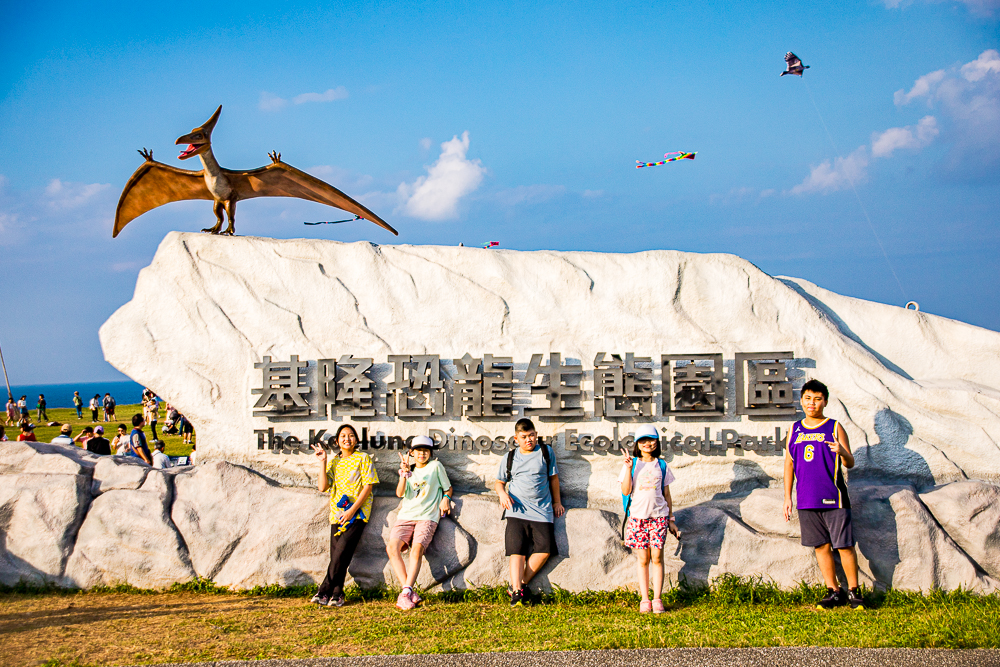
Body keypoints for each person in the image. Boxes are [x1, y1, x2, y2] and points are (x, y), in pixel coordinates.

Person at [783, 379, 864, 610]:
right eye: (808, 398)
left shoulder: (834, 426)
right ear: (801, 400)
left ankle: (854, 592)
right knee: (821, 546)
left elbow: (850, 462)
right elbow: (789, 463)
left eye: (817, 399)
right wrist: (788, 497)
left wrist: (842, 451)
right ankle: (833, 590)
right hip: (806, 498)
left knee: (844, 546)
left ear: (825, 402)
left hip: (834, 497)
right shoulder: (794, 429)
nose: (812, 403)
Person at [495, 418, 565, 606]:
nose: (529, 440)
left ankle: (518, 584)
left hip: (542, 511)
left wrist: (557, 502)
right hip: (516, 510)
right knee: (516, 551)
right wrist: (502, 494)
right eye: (524, 437)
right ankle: (518, 592)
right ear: (516, 438)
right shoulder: (510, 457)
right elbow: (499, 482)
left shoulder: (545, 452)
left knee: (545, 549)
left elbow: (554, 479)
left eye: (532, 435)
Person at [309, 424, 379, 607]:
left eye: (350, 435)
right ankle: (337, 593)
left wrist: (352, 510)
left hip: (357, 514)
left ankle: (324, 590)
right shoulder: (334, 461)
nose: (347, 439)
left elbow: (368, 486)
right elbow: (323, 487)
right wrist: (322, 462)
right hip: (337, 515)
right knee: (339, 556)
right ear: (337, 441)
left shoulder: (363, 458)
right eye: (342, 436)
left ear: (356, 439)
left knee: (340, 552)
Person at [620, 424, 681, 613]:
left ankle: (657, 599)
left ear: (657, 442)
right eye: (643, 440)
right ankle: (644, 599)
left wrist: (671, 519)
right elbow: (625, 491)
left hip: (659, 517)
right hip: (638, 517)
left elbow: (667, 494)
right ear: (637, 443)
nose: (648, 443)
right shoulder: (632, 463)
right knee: (643, 558)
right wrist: (629, 468)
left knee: (657, 557)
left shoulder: (661, 465)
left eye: (651, 440)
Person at [387, 435, 453, 610]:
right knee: (392, 548)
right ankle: (407, 591)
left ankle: (406, 593)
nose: (422, 454)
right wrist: (403, 473)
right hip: (406, 515)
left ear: (430, 453)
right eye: (418, 451)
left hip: (427, 517)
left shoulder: (436, 467)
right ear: (411, 453)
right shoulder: (409, 471)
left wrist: (446, 498)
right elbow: (400, 493)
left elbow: (448, 487)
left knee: (417, 551)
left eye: (425, 451)